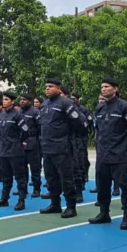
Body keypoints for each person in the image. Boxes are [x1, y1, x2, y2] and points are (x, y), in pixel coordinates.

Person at [89, 78, 127, 229]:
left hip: (119, 155)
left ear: (115, 89)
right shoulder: (99, 108)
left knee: (125, 185)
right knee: (102, 185)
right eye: (102, 87)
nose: (103, 89)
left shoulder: (125, 107)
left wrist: (121, 139)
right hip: (102, 154)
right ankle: (104, 213)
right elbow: (97, 129)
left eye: (107, 86)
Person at [39, 78, 88, 218]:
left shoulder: (66, 103)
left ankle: (71, 206)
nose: (47, 88)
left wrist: (70, 135)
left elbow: (79, 122)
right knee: (51, 178)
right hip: (47, 147)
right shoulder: (44, 105)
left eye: (51, 86)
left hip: (62, 147)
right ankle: (55, 204)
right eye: (46, 86)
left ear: (59, 89)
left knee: (66, 178)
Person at [0, 91, 29, 210]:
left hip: (15, 150)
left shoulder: (17, 115)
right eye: (3, 99)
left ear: (13, 102)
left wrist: (20, 141)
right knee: (6, 176)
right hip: (3, 149)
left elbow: (25, 130)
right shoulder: (2, 115)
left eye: (7, 99)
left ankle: (21, 200)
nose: (4, 101)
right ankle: (4, 199)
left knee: (19, 176)